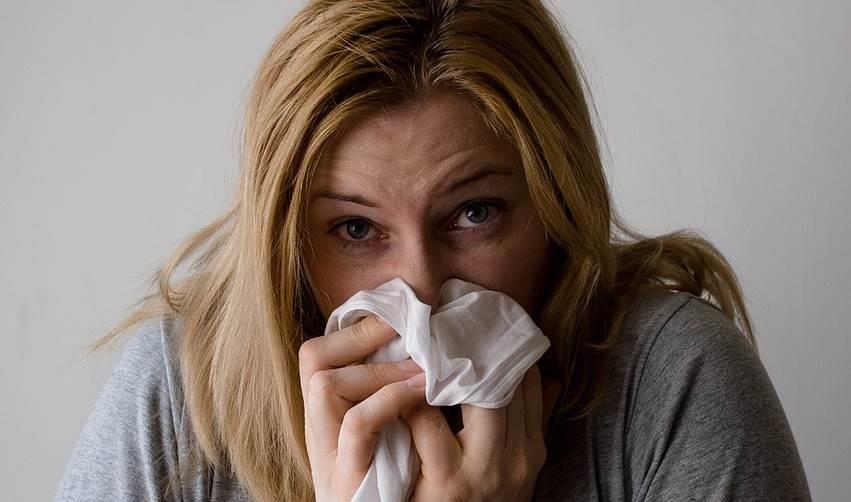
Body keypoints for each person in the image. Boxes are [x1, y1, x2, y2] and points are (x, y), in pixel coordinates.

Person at [54, 0, 812, 501]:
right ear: (286, 244)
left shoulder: (669, 382)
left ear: (555, 208)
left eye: (474, 214)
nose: (416, 288)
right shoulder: (184, 395)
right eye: (354, 230)